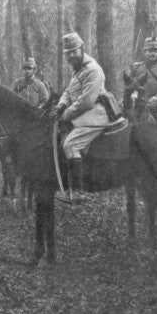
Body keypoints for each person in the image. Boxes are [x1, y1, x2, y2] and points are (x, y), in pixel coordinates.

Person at [50, 32, 116, 204]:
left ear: (82, 49)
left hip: (97, 113)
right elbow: (68, 92)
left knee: (70, 145)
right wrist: (61, 105)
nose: (71, 55)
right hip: (84, 112)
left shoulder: (93, 69)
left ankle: (78, 192)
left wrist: (65, 115)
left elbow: (86, 101)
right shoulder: (77, 70)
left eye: (74, 51)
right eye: (68, 52)